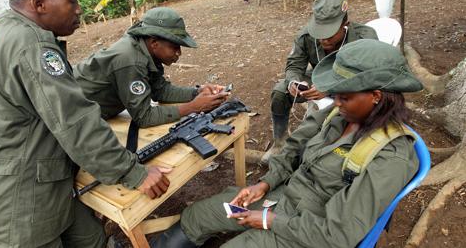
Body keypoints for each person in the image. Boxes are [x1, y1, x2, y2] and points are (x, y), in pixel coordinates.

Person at [0, 0, 170, 247]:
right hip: (18, 207)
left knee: (93, 240)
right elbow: (75, 121)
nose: (79, 8)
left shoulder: (8, 25)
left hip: (38, 183)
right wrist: (133, 172)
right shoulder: (33, 45)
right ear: (39, 4)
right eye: (72, 0)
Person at [151, 39, 423, 248]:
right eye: (334, 95)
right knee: (198, 215)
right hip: (282, 197)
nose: (335, 103)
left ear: (376, 95)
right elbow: (293, 149)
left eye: (344, 97)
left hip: (311, 231)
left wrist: (270, 222)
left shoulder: (390, 156)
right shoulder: (336, 114)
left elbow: (339, 234)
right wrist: (266, 183)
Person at [264, 0, 378, 162]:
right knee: (280, 91)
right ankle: (279, 143)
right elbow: (294, 64)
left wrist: (331, 89)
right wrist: (293, 82)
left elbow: (367, 77)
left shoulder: (365, 38)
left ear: (344, 24)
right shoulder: (305, 36)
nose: (323, 39)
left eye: (329, 33)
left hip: (351, 84)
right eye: (319, 32)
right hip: (319, 76)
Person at [74, 7, 229, 128]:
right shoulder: (131, 60)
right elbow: (144, 117)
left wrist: (197, 92)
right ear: (154, 43)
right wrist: (192, 107)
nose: (179, 53)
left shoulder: (146, 50)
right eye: (174, 47)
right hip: (73, 114)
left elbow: (161, 91)